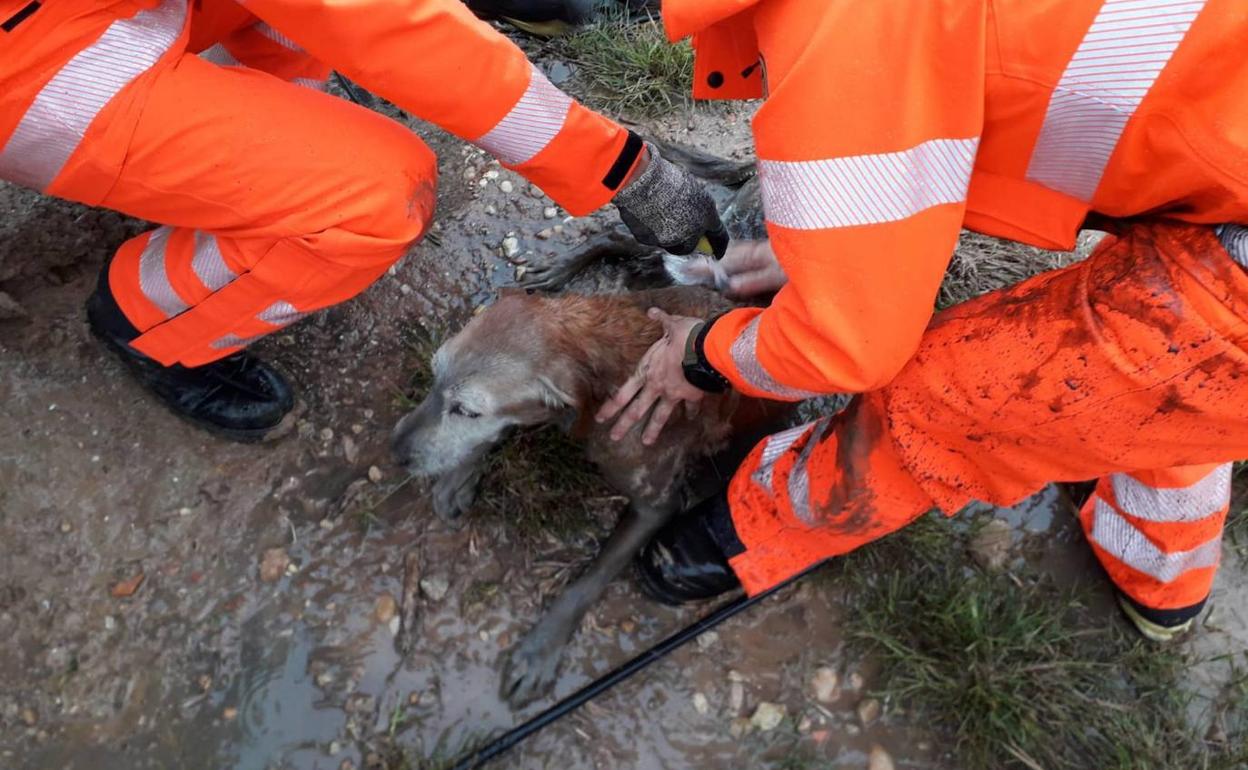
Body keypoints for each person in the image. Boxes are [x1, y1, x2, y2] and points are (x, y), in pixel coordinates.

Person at [598, 0, 1248, 643]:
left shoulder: (847, 29)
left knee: (950, 404)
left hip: (1234, 295)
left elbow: (848, 348)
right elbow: (989, 84)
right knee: (1166, 401)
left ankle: (748, 532)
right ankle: (1164, 580)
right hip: (1222, 173)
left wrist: (701, 356)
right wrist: (848, 242)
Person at [0, 0, 725, 441]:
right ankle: (148, 321)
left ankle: (262, 150)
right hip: (34, 67)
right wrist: (624, 167)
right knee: (380, 198)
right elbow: (381, 21)